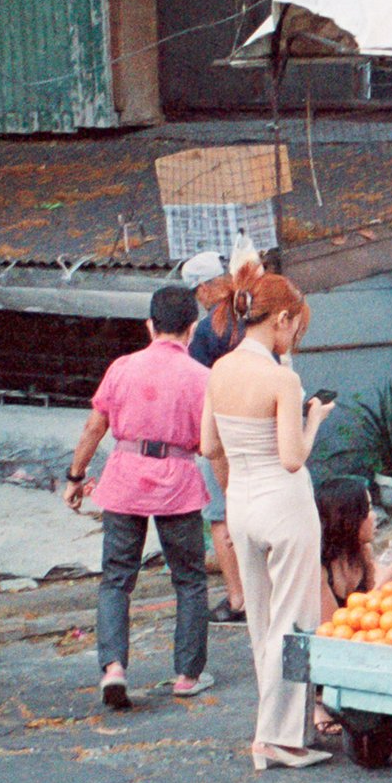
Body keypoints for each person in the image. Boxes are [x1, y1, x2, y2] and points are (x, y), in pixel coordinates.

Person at [202, 269, 337, 770]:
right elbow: (292, 456)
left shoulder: (219, 370)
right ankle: (278, 738)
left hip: (241, 504)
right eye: (294, 328)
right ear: (281, 318)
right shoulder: (283, 378)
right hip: (284, 502)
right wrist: (314, 419)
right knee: (295, 620)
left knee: (261, 621)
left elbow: (208, 445)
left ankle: (271, 732)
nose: (293, 339)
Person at [65, 284, 215, 711]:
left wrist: (75, 476)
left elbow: (94, 428)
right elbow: (208, 444)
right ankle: (187, 675)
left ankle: (113, 668)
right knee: (189, 580)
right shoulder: (202, 377)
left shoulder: (122, 367)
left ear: (150, 325)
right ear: (192, 328)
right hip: (177, 484)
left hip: (125, 479)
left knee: (116, 579)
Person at [179, 247, 264, 624]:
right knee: (259, 509)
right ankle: (267, 591)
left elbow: (198, 389)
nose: (197, 299)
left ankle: (238, 599)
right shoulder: (254, 315)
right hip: (261, 429)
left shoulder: (207, 330)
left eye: (197, 291)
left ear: (209, 287)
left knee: (221, 516)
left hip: (223, 433)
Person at [312, 476, 392, 737]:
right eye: (368, 510)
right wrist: (380, 585)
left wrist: (388, 587)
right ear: (348, 519)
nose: (374, 517)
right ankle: (318, 702)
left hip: (359, 647)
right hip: (329, 653)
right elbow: (334, 631)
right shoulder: (319, 569)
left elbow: (377, 614)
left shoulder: (362, 552)